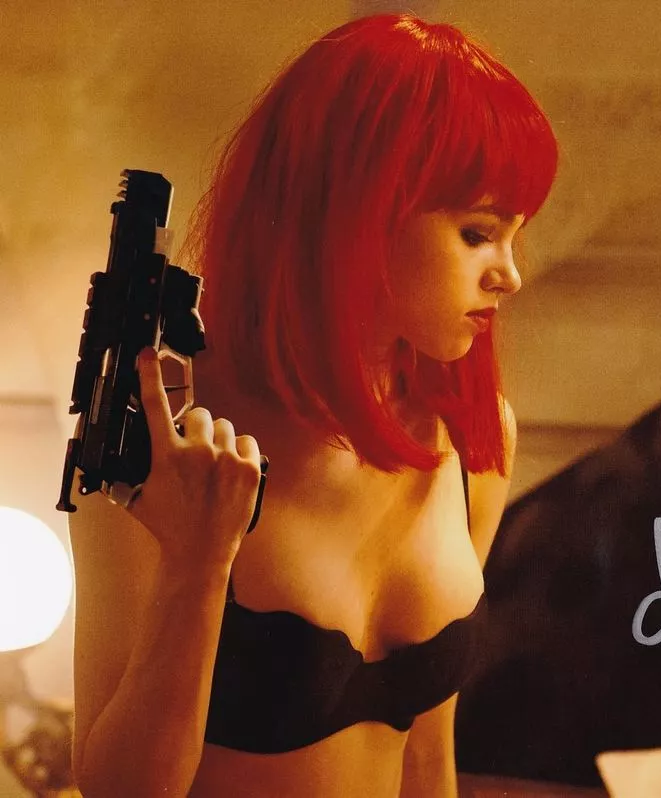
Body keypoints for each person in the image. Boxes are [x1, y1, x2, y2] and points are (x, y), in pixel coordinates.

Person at [67, 12, 558, 798]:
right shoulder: (158, 432)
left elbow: (428, 756)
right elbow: (118, 790)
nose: (510, 274)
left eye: (513, 236)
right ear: (359, 213)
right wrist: (199, 566)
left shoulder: (472, 437)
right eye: (478, 233)